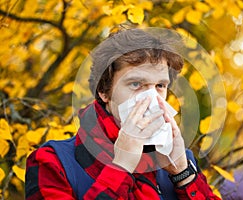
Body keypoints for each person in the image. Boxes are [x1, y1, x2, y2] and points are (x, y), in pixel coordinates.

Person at [25, 28, 221, 200]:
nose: (151, 97)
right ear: (104, 91)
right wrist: (121, 166)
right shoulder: (53, 163)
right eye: (136, 84)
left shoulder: (178, 159)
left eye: (160, 86)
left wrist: (183, 174)